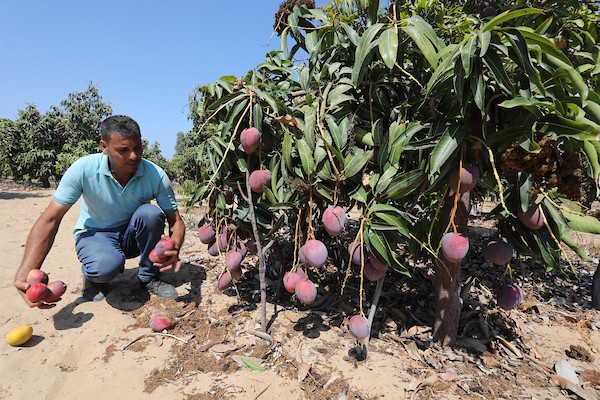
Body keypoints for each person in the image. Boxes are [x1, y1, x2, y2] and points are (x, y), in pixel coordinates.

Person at [14, 115, 186, 307]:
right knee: (105, 267)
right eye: (123, 150)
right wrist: (27, 272)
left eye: (138, 148)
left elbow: (176, 220)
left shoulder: (155, 174)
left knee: (150, 214)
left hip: (131, 234)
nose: (134, 156)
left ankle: (148, 277)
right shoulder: (83, 169)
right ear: (104, 147)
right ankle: (93, 278)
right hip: (96, 234)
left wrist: (175, 246)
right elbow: (50, 219)